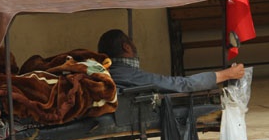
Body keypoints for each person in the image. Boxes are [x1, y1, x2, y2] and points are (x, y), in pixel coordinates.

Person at [97, 29, 245, 93]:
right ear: (126, 47)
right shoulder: (129, 75)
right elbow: (181, 85)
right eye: (132, 42)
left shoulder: (104, 73)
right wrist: (226, 74)